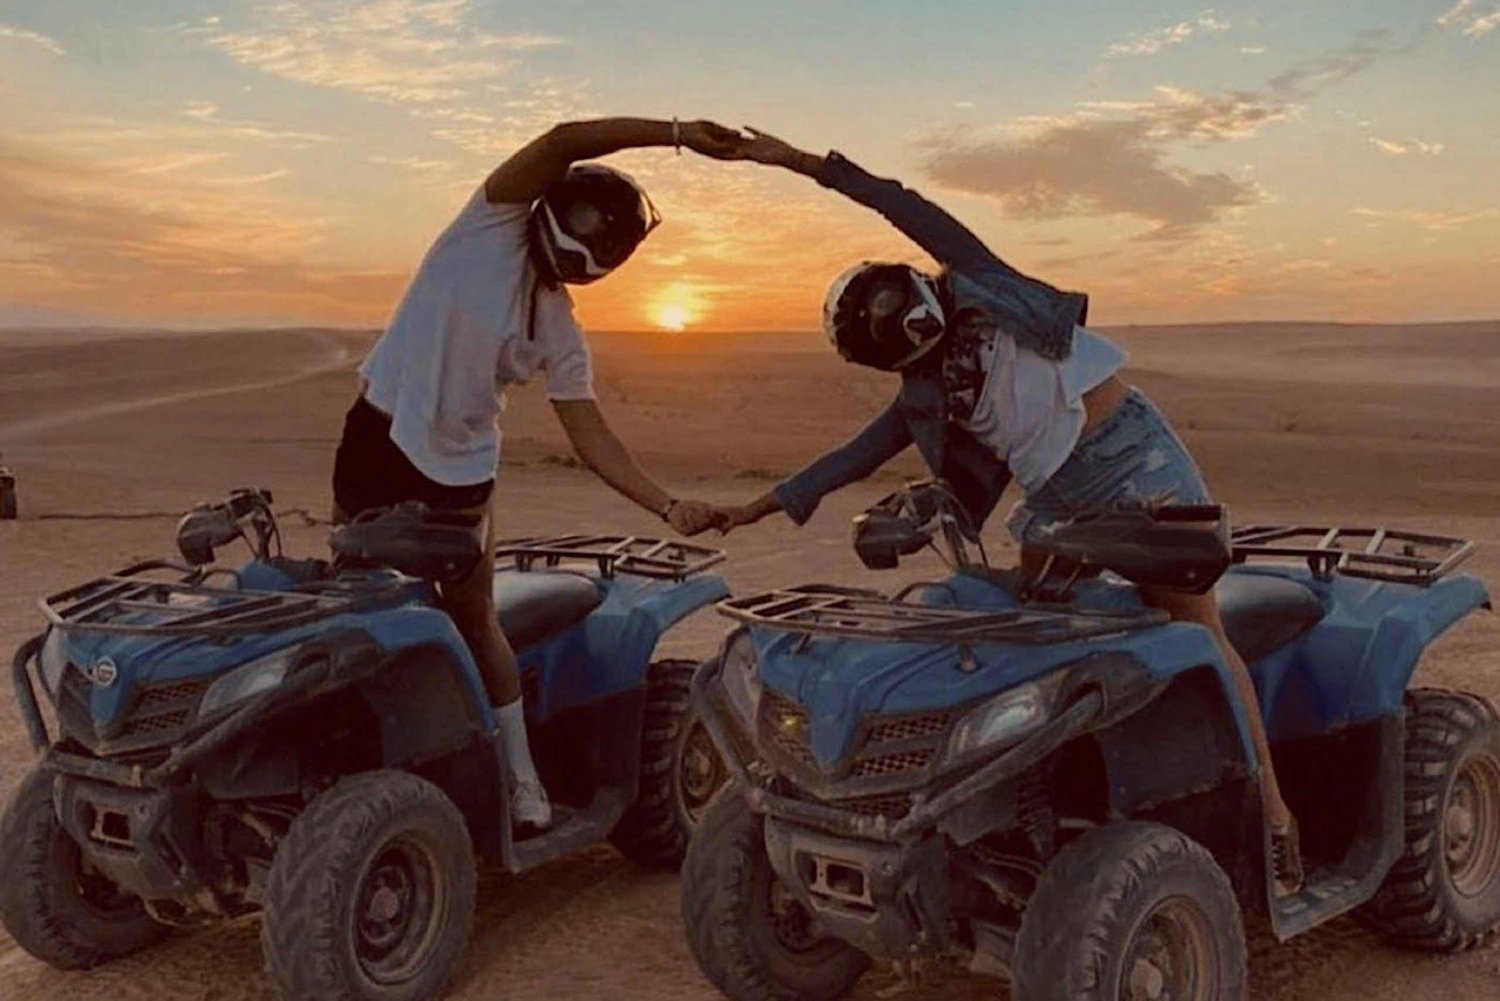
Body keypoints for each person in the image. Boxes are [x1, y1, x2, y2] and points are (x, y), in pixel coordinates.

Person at [713, 129, 1305, 895]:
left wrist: (798, 162)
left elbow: (900, 203)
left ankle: (1274, 814)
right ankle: (1044, 806)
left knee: (1199, 629)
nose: (906, 323)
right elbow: (850, 458)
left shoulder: (981, 280)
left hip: (1134, 462)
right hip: (1055, 498)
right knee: (1028, 631)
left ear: (915, 285)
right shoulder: (924, 395)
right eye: (887, 330)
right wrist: (751, 508)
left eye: (900, 305)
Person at [331, 118, 745, 830]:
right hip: (379, 437)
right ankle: (356, 755)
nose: (590, 248)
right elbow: (562, 140)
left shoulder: (559, 326)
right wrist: (676, 132)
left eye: (608, 245)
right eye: (587, 227)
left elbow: (589, 432)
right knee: (352, 597)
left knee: (473, 616)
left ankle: (519, 776)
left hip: (460, 475)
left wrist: (665, 504)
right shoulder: (489, 223)